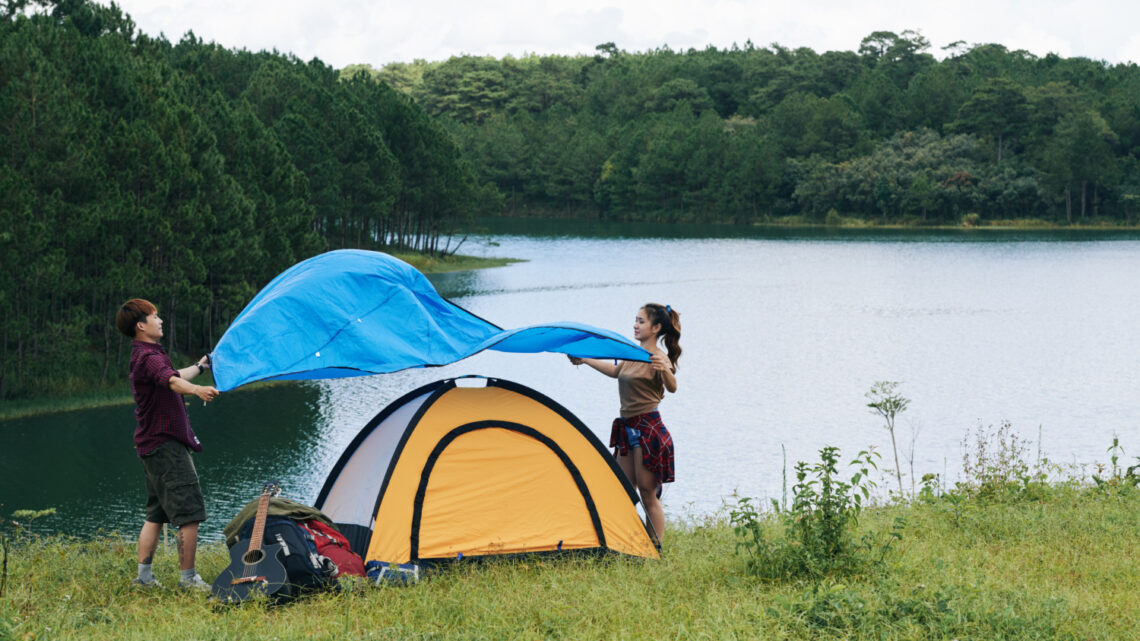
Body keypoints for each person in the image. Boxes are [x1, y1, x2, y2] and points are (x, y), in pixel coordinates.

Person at [115, 298, 219, 590]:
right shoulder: (148, 357)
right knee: (189, 514)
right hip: (166, 447)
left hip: (151, 446)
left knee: (156, 514)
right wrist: (198, 390)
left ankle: (144, 578)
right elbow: (173, 383)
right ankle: (189, 580)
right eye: (155, 316)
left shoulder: (146, 354)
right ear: (141, 325)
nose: (160, 321)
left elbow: (173, 377)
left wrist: (200, 367)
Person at [569, 303, 680, 546]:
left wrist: (666, 372)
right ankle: (624, 540)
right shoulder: (632, 352)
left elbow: (672, 387)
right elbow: (616, 372)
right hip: (627, 428)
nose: (635, 325)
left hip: (648, 429)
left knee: (648, 495)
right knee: (622, 490)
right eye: (636, 320)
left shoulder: (658, 358)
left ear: (656, 327)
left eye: (641, 321)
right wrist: (586, 359)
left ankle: (656, 548)